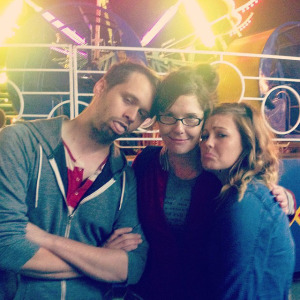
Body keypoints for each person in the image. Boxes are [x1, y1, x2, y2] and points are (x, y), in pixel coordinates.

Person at [115, 64, 294, 300]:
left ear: (205, 120)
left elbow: (255, 222)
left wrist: (284, 200)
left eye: (191, 118)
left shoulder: (220, 172)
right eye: (168, 116)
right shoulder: (146, 163)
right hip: (149, 292)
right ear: (158, 119)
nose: (179, 128)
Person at [0, 61, 159, 300]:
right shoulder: (21, 143)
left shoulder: (124, 177)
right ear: (101, 86)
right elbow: (6, 246)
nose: (131, 116)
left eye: (142, 114)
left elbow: (132, 266)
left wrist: (45, 239)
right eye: (128, 99)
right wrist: (99, 260)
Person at [199, 102, 295, 299]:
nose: (207, 143)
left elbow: (239, 292)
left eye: (221, 135)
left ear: (247, 142)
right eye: (205, 135)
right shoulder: (233, 192)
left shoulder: (245, 203)